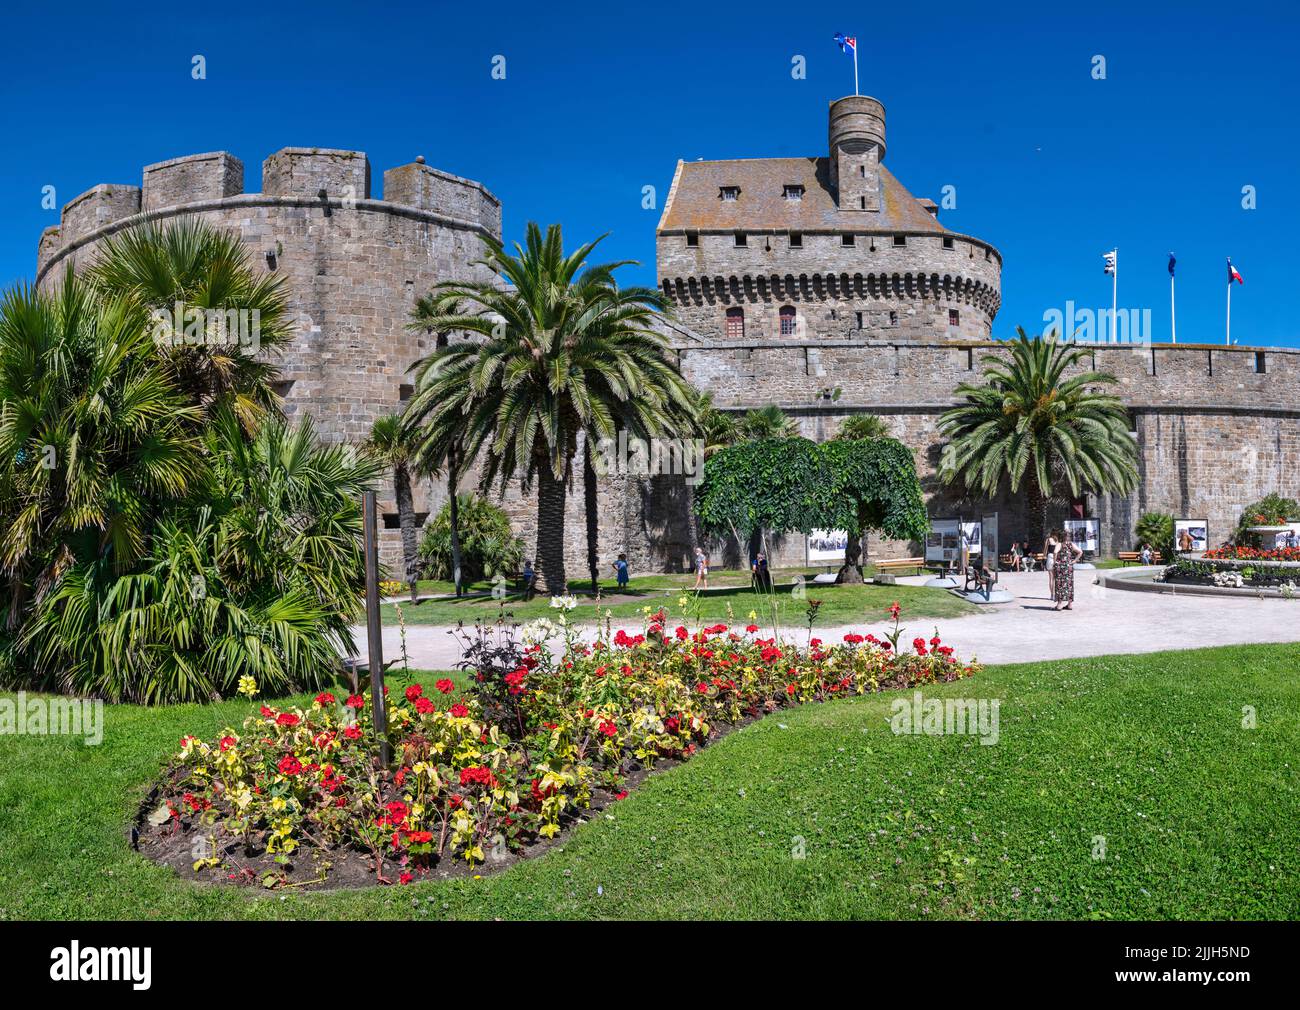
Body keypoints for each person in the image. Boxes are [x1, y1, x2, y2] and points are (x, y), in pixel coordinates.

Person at [1053, 529, 1083, 611]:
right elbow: (1080, 552)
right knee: (1069, 585)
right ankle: (1069, 604)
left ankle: (1059, 605)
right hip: (1069, 567)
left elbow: (1055, 552)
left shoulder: (1060, 544)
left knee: (1060, 585)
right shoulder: (1071, 544)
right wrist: (1074, 561)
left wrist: (1055, 561)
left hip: (1061, 567)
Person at [1043, 531, 1059, 602]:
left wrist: (1043, 558)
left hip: (1050, 557)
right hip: (1056, 557)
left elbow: (1045, 550)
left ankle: (1052, 595)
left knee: (1051, 578)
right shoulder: (1057, 541)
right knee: (1056, 578)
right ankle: (1056, 594)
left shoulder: (1048, 540)